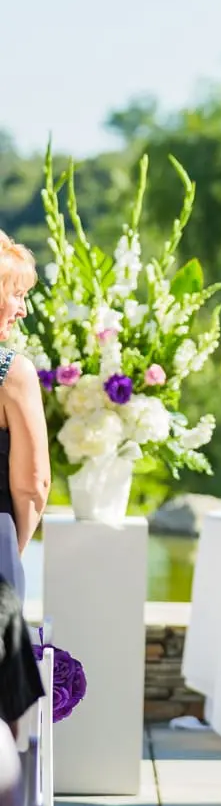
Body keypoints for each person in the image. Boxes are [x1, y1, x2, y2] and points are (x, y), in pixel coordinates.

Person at [0, 231, 48, 731]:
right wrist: (10, 549)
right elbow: (33, 484)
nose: (24, 309)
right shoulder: (12, 373)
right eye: (17, 293)